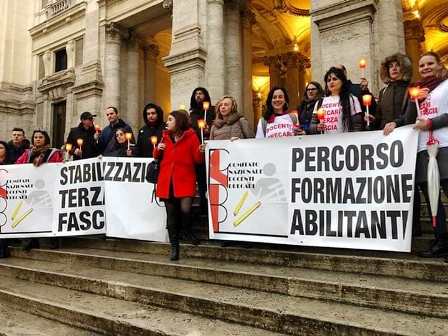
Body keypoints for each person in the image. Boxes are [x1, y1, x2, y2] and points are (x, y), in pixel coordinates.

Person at [384, 51, 448, 258]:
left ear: (439, 65)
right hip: (422, 148)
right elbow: (409, 118)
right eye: (422, 65)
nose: (426, 67)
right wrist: (398, 121)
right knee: (432, 198)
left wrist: (432, 123)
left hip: (445, 145)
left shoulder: (446, 85)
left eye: (430, 63)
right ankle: (441, 240)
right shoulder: (416, 91)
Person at [153, 110, 205, 260]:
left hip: (185, 179)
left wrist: (200, 151)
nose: (167, 122)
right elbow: (156, 156)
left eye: (170, 120)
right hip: (166, 180)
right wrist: (157, 150)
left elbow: (198, 160)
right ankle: (174, 247)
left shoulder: (191, 136)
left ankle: (186, 230)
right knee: (170, 216)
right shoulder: (165, 136)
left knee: (185, 210)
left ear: (179, 121)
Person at [16, 130, 63, 251]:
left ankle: (51, 241)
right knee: (31, 215)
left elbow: (58, 167)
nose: (37, 139)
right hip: (31, 190)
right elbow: (17, 165)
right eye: (35, 137)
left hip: (48, 189)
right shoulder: (27, 153)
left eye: (40, 137)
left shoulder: (54, 153)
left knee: (48, 215)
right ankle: (31, 242)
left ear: (46, 139)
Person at [309, 67, 364, 134]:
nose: (331, 82)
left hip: (345, 141)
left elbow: (357, 125)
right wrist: (316, 127)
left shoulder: (351, 99)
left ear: (342, 81)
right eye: (328, 80)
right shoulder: (320, 102)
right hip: (326, 142)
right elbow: (312, 125)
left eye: (334, 79)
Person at [189, 87, 215, 214]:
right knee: (201, 181)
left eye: (201, 93)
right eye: (196, 94)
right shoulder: (192, 113)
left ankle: (213, 207)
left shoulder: (212, 111)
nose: (198, 96)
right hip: (197, 151)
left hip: (210, 150)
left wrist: (208, 129)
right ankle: (204, 208)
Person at [374, 53, 413, 129]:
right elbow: (378, 116)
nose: (394, 68)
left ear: (404, 68)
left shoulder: (411, 89)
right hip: (385, 135)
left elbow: (411, 115)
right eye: (390, 66)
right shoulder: (383, 91)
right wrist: (371, 120)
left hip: (404, 134)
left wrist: (396, 123)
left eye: (397, 65)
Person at [336, 64, 377, 129]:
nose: (337, 74)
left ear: (345, 73)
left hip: (358, 128)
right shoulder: (331, 94)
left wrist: (365, 91)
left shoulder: (357, 88)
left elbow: (371, 108)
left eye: (339, 71)